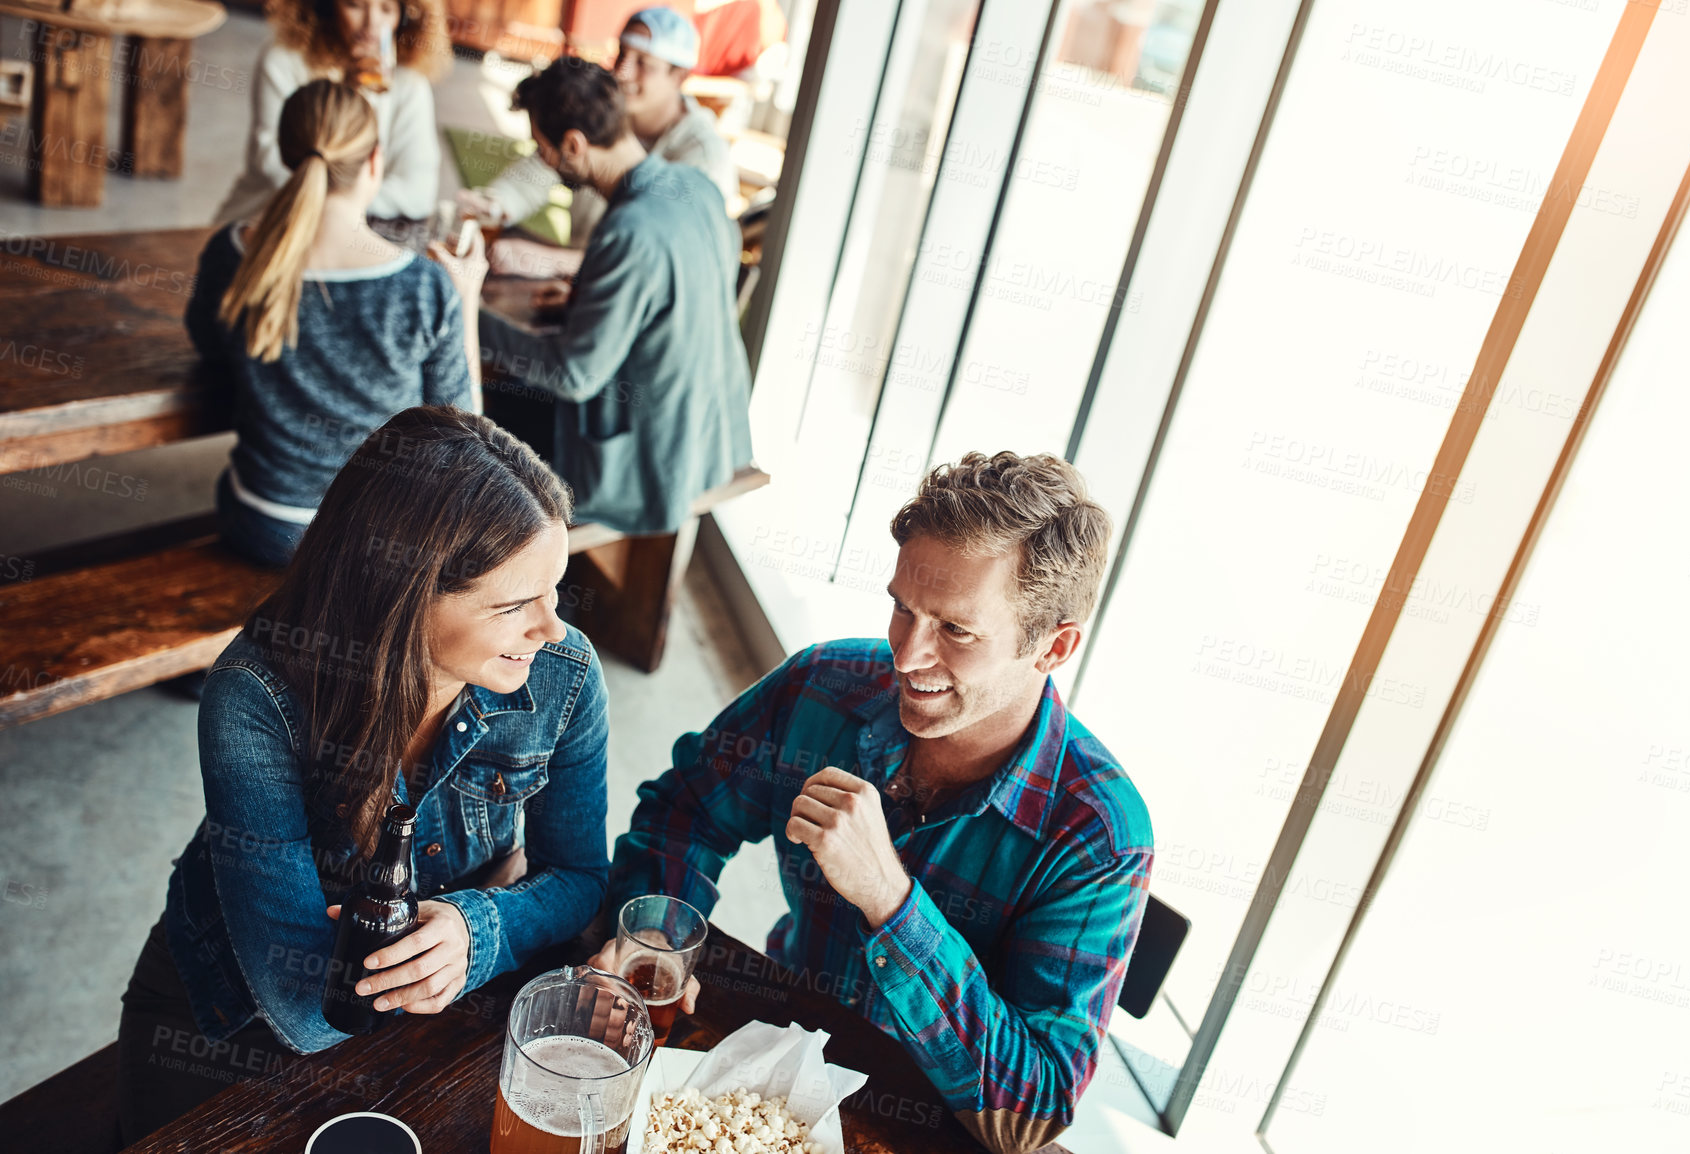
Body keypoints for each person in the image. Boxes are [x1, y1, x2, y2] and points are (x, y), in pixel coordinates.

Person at [594, 452, 1156, 1154]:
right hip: (776, 1048)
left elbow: (1033, 1110)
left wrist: (891, 902)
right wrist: (658, 940)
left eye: (955, 631)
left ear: (1055, 645)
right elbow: (688, 809)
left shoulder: (1100, 833)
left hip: (933, 1120)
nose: (907, 654)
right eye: (902, 607)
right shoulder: (823, 684)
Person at [116, 406, 612, 1141]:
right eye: (513, 606)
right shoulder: (255, 699)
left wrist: (480, 931)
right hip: (232, 1007)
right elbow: (300, 1003)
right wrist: (470, 943)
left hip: (443, 989)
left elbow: (581, 877)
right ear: (405, 599)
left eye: (555, 589)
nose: (553, 628)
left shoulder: (564, 675)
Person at [187, 79, 485, 568]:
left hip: (262, 523)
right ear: (374, 162)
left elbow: (208, 343)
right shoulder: (422, 286)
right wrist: (466, 296)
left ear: (287, 158)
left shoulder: (232, 252)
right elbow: (466, 433)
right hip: (374, 543)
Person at [478, 58, 753, 536]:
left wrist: (468, 312)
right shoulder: (697, 187)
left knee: (468, 415)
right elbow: (681, 299)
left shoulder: (628, 230)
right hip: (712, 436)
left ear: (574, 145)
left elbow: (573, 374)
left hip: (649, 462)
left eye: (543, 149)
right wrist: (584, 303)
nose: (544, 161)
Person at [466, 6, 740, 280]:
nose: (622, 72)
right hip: (581, 285)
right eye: (622, 53)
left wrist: (552, 261)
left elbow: (667, 260)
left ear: (680, 76)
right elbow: (550, 159)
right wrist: (495, 203)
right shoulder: (608, 109)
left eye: (643, 62)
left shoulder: (704, 157)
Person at [214, 0, 449, 226]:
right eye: (354, 5)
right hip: (266, 217)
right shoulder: (284, 60)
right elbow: (270, 163)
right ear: (326, 4)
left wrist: (338, 206)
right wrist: (345, 94)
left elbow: (418, 193)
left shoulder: (410, 83)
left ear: (406, 14)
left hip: (353, 232)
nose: (372, 24)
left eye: (387, 8)